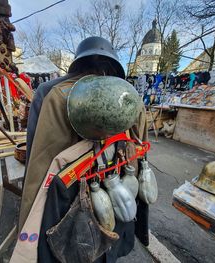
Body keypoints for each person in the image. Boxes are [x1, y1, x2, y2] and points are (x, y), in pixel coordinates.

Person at [18, 36, 148, 263]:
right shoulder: (129, 95)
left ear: (77, 61)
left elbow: (37, 161)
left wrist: (28, 220)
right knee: (109, 237)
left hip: (73, 198)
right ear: (114, 63)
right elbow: (140, 147)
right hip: (120, 185)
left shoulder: (51, 93)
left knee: (79, 247)